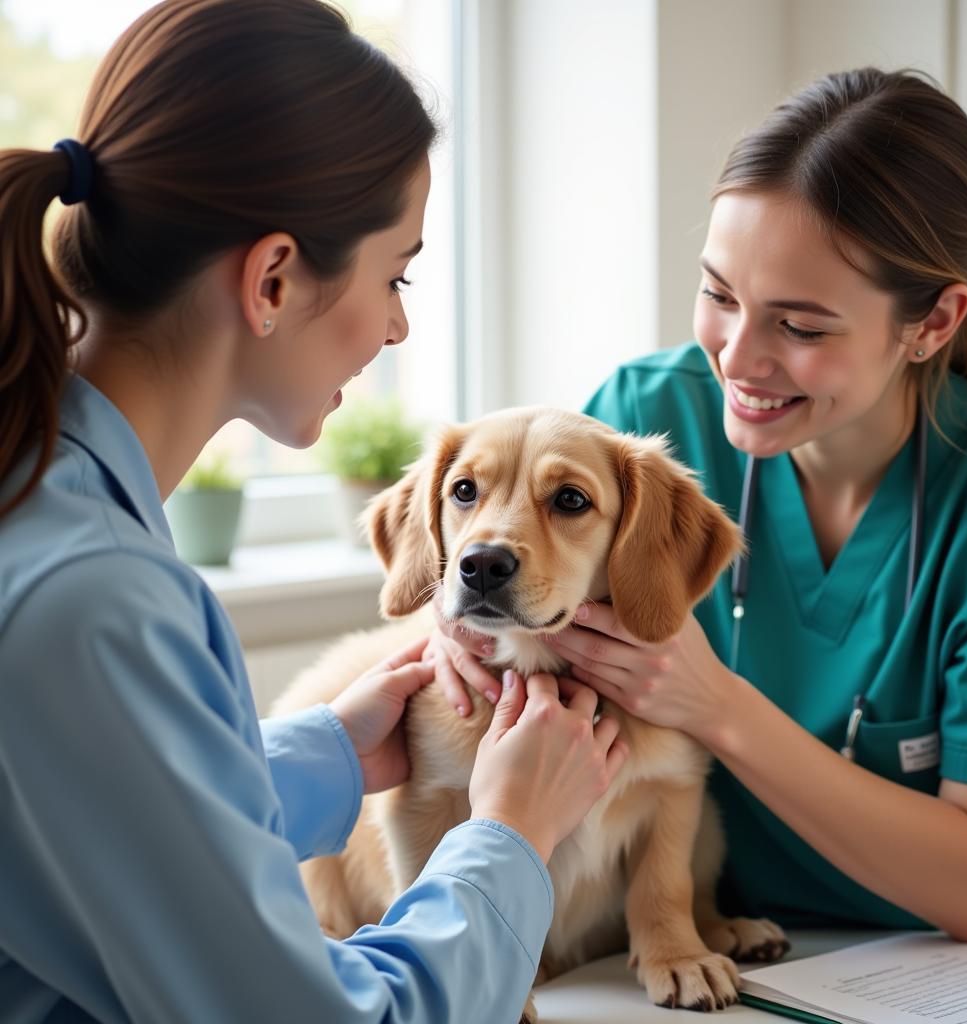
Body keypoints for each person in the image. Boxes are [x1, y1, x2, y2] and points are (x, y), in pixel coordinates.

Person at [0, 1, 629, 1020]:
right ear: (275, 278)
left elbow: (90, 834)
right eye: (396, 273)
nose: (395, 323)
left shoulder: (52, 513)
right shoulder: (94, 597)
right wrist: (508, 832)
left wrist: (330, 751)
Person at [433, 68, 967, 942]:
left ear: (933, 322)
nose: (738, 360)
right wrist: (464, 621)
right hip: (698, 937)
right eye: (719, 294)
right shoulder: (642, 420)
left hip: (931, 969)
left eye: (802, 326)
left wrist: (715, 704)